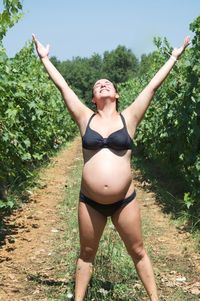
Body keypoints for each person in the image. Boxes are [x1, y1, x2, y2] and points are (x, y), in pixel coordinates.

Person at [32, 34, 190, 301]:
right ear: (93, 98)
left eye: (108, 84)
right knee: (86, 254)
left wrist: (173, 57)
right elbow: (64, 88)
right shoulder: (85, 118)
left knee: (138, 251)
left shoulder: (130, 117)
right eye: (98, 85)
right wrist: (45, 59)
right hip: (90, 201)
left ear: (116, 94)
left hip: (124, 200)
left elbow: (151, 87)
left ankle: (155, 299)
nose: (103, 84)